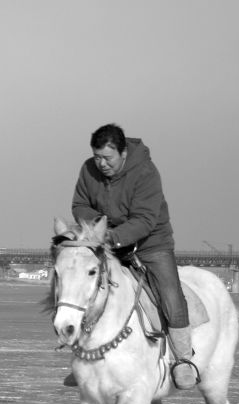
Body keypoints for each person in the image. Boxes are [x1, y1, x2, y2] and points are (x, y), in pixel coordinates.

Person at [67, 123, 198, 390]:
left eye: (107, 158)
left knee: (170, 293)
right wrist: (98, 228)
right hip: (104, 239)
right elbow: (79, 204)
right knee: (85, 287)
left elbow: (145, 219)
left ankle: (183, 359)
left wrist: (112, 237)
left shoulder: (146, 172)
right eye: (97, 157)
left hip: (151, 242)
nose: (101, 164)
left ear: (123, 153)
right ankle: (83, 358)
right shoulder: (87, 169)